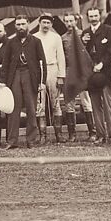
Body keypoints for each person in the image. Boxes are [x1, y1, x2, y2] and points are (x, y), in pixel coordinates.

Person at [4, 15, 46, 148]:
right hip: (15, 75)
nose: (21, 27)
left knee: (31, 109)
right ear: (15, 26)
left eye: (23, 24)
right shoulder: (11, 42)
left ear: (28, 24)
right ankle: (12, 141)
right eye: (18, 24)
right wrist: (2, 81)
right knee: (13, 109)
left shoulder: (35, 41)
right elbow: (5, 63)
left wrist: (42, 82)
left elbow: (42, 63)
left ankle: (31, 140)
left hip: (30, 75)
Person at [84, 8, 111, 145]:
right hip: (91, 75)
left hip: (105, 73)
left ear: (100, 16)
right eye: (91, 16)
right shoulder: (86, 33)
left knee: (107, 104)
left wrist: (102, 64)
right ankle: (100, 135)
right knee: (95, 105)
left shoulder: (108, 30)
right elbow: (83, 54)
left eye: (95, 15)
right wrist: (83, 42)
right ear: (87, 17)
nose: (93, 18)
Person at [61, 13, 95, 142]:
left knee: (86, 102)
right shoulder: (63, 38)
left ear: (76, 21)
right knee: (69, 102)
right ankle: (72, 134)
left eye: (71, 21)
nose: (70, 24)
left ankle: (92, 132)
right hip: (70, 71)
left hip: (82, 72)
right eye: (67, 21)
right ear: (64, 22)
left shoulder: (84, 34)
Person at [33, 14, 67, 143]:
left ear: (51, 24)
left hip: (53, 69)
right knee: (40, 103)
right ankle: (43, 135)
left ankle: (59, 134)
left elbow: (61, 57)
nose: (46, 25)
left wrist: (61, 76)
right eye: (44, 22)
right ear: (39, 23)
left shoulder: (56, 37)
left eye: (48, 23)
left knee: (56, 102)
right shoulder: (34, 37)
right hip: (40, 70)